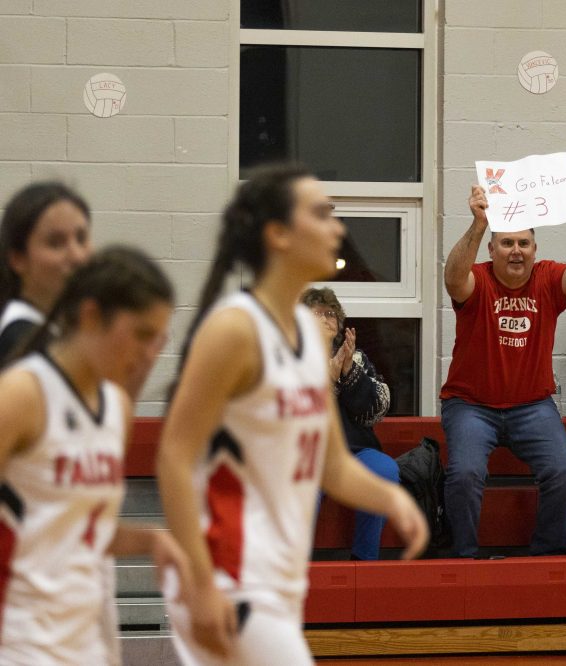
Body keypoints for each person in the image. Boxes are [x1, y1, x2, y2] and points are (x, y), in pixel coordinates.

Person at [157, 163, 428, 665]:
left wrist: (391, 499)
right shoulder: (235, 331)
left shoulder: (312, 355)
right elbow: (177, 458)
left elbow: (331, 458)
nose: (337, 230)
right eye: (320, 216)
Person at [0, 246, 190, 664]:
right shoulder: (21, 394)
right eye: (141, 335)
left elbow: (88, 529)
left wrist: (152, 540)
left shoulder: (115, 407)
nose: (149, 354)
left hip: (89, 637)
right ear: (89, 316)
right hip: (23, 640)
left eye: (157, 339)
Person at [441, 180, 566, 558]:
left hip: (532, 406)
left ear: (534, 249)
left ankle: (547, 555)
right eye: (507, 243)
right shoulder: (477, 279)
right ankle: (464, 558)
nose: (516, 251)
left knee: (564, 472)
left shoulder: (548, 277)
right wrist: (479, 223)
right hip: (471, 406)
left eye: (524, 243)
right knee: (464, 475)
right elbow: (452, 278)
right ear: (492, 249)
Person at [301, 287, 399, 560]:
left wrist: (348, 373)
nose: (325, 319)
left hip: (353, 451)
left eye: (330, 313)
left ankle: (365, 560)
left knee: (385, 471)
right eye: (317, 313)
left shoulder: (354, 357)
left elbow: (375, 412)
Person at [0, 182, 91, 362]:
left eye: (81, 239)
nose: (77, 256)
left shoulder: (56, 329)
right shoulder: (21, 341)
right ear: (18, 259)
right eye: (55, 243)